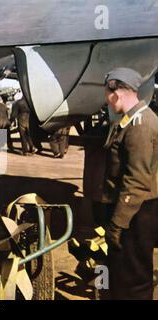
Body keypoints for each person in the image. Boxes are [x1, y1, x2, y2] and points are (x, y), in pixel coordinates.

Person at [101, 67, 158, 299]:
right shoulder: (132, 119)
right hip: (135, 210)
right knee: (124, 275)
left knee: (133, 280)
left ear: (117, 92)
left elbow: (136, 181)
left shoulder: (141, 125)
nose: (106, 99)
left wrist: (117, 224)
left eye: (107, 93)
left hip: (136, 213)